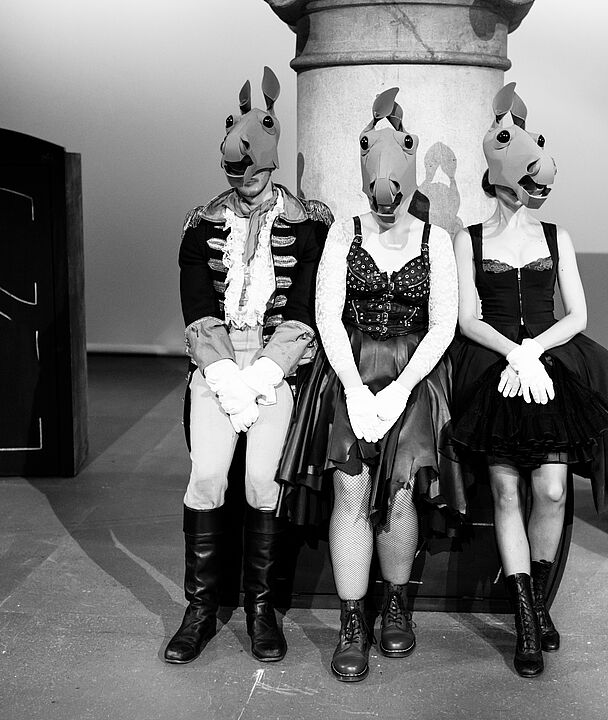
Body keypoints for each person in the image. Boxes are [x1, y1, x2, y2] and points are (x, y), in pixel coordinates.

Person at [277, 88, 463, 682]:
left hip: (413, 373)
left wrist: (402, 390)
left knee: (401, 493)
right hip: (351, 369)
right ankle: (352, 620)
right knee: (352, 492)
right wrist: (356, 392)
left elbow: (443, 325)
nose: (385, 206)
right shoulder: (344, 232)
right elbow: (327, 315)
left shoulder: (435, 240)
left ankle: (397, 605)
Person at [165, 66, 332, 665]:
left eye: (256, 171)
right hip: (217, 363)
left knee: (263, 481)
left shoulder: (309, 225)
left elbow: (306, 305)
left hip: (276, 363)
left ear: (272, 161)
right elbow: (197, 306)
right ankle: (200, 609)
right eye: (238, 173)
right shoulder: (201, 224)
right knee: (208, 476)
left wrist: (264, 372)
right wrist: (221, 374)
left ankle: (262, 609)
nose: (247, 182)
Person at [450, 83, 608, 678]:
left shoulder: (555, 236)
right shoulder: (469, 239)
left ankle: (539, 603)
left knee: (553, 491)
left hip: (550, 368)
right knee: (506, 491)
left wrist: (536, 349)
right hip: (495, 369)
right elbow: (468, 318)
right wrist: (513, 352)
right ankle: (525, 619)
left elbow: (578, 314)